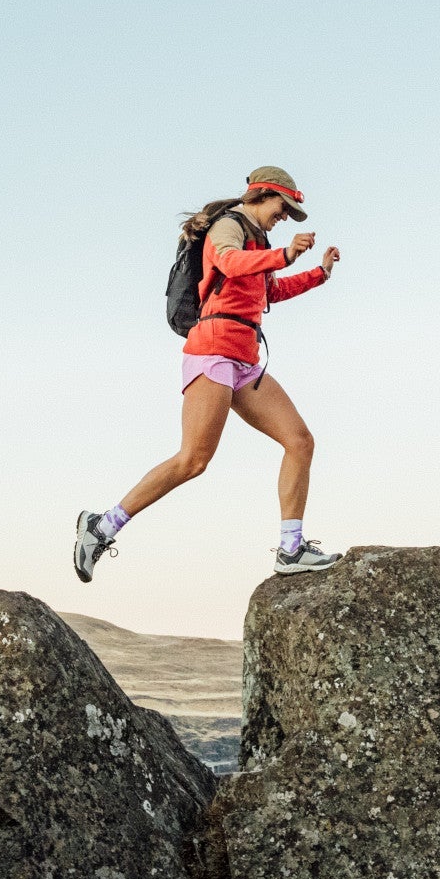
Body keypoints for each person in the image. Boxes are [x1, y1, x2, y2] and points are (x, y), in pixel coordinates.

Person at [76, 166, 342, 582]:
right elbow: (230, 264)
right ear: (260, 196)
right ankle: (102, 526)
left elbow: (268, 291)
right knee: (194, 460)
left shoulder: (259, 240)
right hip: (213, 350)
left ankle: (291, 549)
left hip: (245, 359)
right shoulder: (229, 226)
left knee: (300, 441)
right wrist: (286, 254)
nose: (284, 217)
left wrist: (318, 274)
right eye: (282, 207)